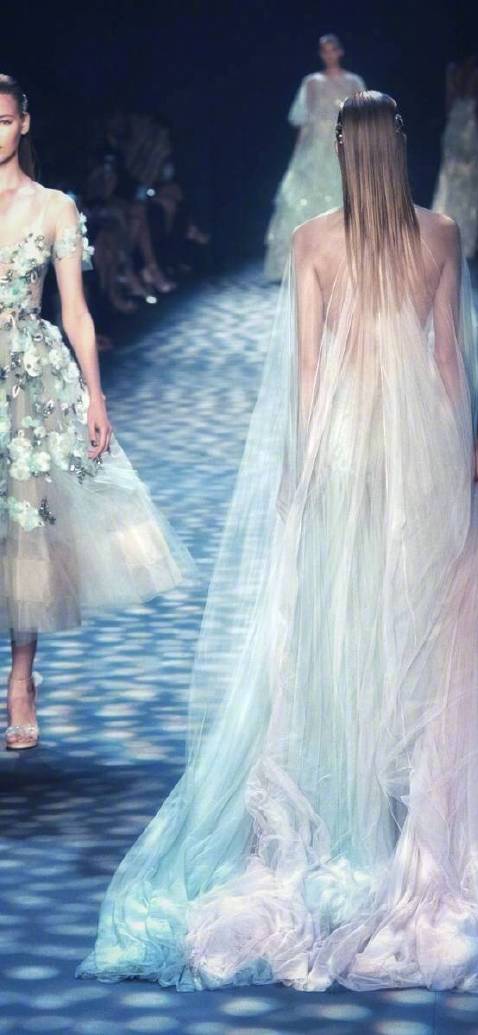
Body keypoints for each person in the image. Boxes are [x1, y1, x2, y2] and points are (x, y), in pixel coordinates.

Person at [79, 91, 478, 993]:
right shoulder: (439, 235)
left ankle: (360, 822)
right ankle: (418, 836)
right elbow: (449, 361)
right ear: (399, 147)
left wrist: (301, 468)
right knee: (423, 623)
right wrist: (471, 442)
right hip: (422, 442)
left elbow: (312, 370)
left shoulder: (317, 240)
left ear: (345, 152)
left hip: (351, 444)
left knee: (347, 621)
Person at [0, 75, 193, 751]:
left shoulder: (54, 207)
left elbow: (76, 313)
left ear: (24, 122)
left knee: (27, 521)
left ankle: (20, 679)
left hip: (28, 376)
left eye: (2, 120)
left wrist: (96, 396)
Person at [264, 33, 365, 281]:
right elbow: (303, 122)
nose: (329, 55)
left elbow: (361, 120)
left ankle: (344, 263)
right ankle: (304, 263)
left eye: (333, 49)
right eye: (324, 51)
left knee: (343, 199)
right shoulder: (311, 82)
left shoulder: (354, 81)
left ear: (340, 51)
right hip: (313, 148)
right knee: (303, 200)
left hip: (342, 146)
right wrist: (296, 156)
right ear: (320, 54)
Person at [432, 57, 478, 259]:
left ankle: (447, 236)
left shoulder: (452, 70)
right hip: (470, 127)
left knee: (452, 183)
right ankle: (468, 237)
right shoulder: (476, 73)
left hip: (454, 125)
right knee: (473, 183)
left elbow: (448, 104)